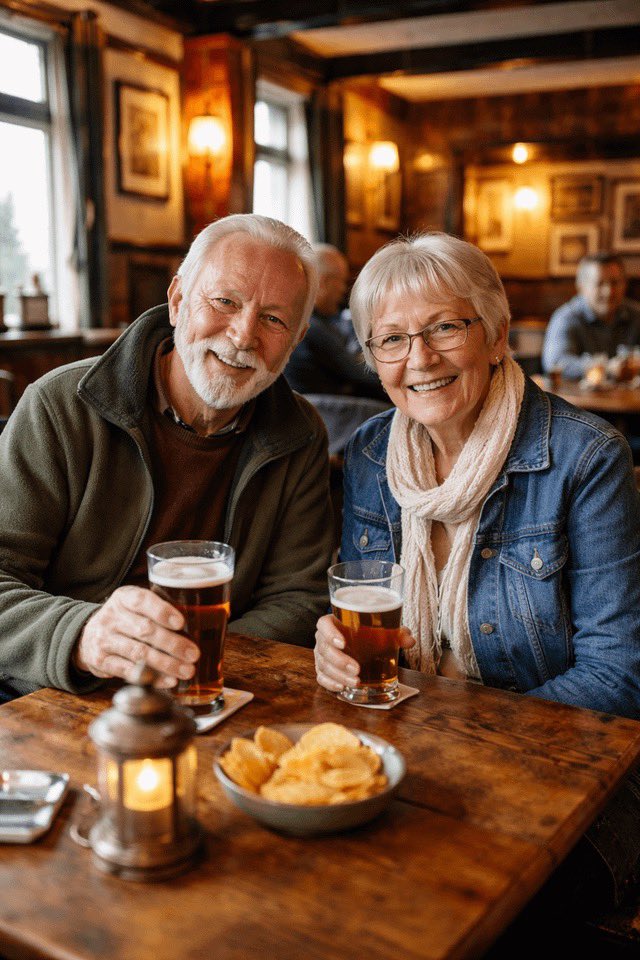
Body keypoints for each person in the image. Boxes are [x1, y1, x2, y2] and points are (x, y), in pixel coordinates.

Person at [312, 231, 640, 911]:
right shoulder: (373, 453)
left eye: (444, 328)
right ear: (372, 359)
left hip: (568, 778)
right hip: (408, 753)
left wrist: (460, 736)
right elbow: (367, 610)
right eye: (392, 340)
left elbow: (618, 673)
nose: (420, 359)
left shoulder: (587, 457)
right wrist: (338, 653)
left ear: (496, 336)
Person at [0, 214, 334, 700]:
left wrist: (193, 663)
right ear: (177, 301)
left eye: (274, 319)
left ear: (297, 339)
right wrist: (83, 636)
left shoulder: (300, 433)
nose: (243, 336)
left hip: (213, 692)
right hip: (52, 692)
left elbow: (299, 597)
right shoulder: (60, 404)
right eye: (224, 301)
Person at [284, 244, 386, 400]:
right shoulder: (311, 327)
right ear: (324, 282)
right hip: (328, 412)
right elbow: (359, 374)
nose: (344, 290)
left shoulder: (305, 319)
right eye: (342, 282)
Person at [542, 252, 640, 380]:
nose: (608, 291)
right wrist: (608, 368)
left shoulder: (636, 314)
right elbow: (555, 363)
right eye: (599, 284)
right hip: (578, 400)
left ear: (624, 284)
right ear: (581, 287)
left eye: (615, 283)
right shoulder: (566, 318)